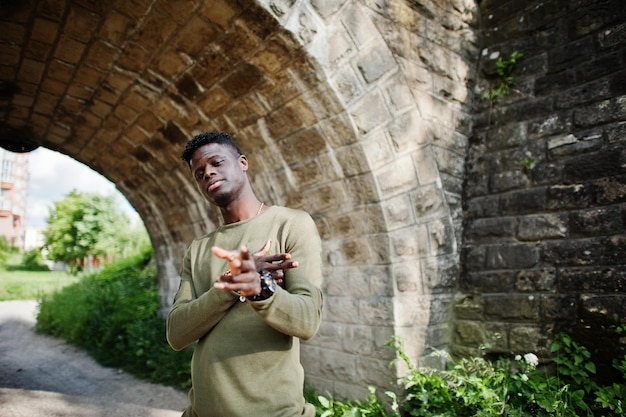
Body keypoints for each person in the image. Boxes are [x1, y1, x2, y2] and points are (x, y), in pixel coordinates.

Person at [166, 130, 323, 417]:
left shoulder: (290, 224)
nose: (208, 173)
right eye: (199, 172)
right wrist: (228, 286)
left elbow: (307, 320)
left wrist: (262, 290)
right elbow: (176, 333)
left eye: (216, 163)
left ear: (242, 163)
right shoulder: (199, 249)